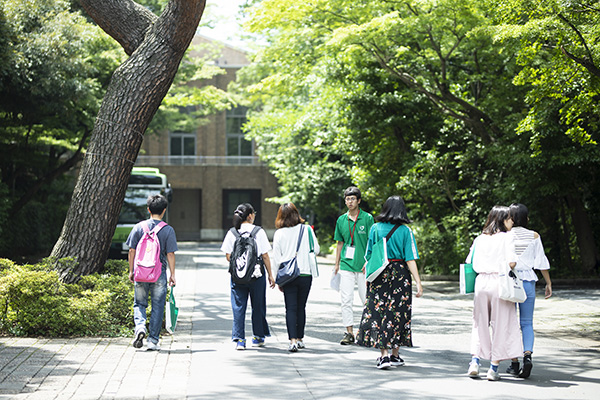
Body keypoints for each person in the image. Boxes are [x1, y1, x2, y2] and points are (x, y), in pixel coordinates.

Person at [357, 195, 423, 369]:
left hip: (379, 274)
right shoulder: (405, 231)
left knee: (379, 312)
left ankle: (384, 356)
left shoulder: (375, 228)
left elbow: (369, 255)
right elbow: (410, 259)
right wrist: (418, 282)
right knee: (398, 313)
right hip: (400, 274)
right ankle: (395, 354)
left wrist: (368, 277)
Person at [466, 205, 522, 381]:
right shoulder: (507, 238)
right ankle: (493, 368)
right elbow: (512, 262)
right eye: (509, 218)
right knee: (501, 325)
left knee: (479, 323)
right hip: (500, 282)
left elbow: (470, 261)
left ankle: (475, 361)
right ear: (502, 219)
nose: (512, 221)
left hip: (481, 282)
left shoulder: (479, 239)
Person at [506, 203, 552, 378]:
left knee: (509, 322)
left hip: (510, 283)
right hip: (528, 283)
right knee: (526, 322)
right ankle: (527, 356)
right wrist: (548, 283)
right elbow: (541, 261)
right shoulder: (534, 235)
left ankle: (514, 362)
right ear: (526, 218)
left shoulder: (506, 235)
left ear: (510, 217)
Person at [126, 194, 178, 351]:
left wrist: (131, 270)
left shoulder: (138, 227)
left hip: (140, 272)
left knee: (139, 303)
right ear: (164, 210)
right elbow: (170, 254)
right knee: (157, 305)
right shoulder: (168, 230)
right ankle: (153, 340)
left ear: (148, 209)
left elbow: (131, 250)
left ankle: (140, 327)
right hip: (158, 273)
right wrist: (173, 274)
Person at [220, 203, 274, 350]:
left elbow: (228, 256)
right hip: (257, 274)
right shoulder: (259, 231)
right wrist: (270, 274)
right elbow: (265, 256)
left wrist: (240, 264)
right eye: (254, 213)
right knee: (258, 305)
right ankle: (258, 337)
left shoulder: (232, 232)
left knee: (238, 306)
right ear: (250, 216)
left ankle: (240, 340)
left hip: (237, 276)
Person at [271, 203, 320, 352]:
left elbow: (276, 258)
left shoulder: (279, 233)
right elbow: (316, 250)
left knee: (290, 308)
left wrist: (275, 278)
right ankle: (300, 339)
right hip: (305, 274)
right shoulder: (307, 230)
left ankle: (292, 341)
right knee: (301, 307)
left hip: (289, 275)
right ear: (296, 214)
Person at [333, 186, 374, 345]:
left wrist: (369, 261)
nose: (350, 202)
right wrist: (336, 264)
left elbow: (373, 242)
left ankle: (367, 331)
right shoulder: (341, 220)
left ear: (359, 201)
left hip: (364, 266)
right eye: (347, 199)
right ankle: (349, 332)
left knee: (366, 299)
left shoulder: (368, 218)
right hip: (346, 265)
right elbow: (340, 243)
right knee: (346, 299)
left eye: (352, 199)